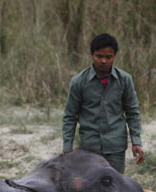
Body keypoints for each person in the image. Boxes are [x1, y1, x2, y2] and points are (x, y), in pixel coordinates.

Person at [61, 33, 144, 173]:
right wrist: (67, 149)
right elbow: (70, 116)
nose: (103, 61)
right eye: (99, 56)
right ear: (92, 55)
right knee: (89, 189)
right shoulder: (78, 82)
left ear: (114, 57)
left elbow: (133, 112)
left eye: (108, 57)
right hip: (89, 148)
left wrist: (136, 141)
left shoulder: (124, 80)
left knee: (115, 187)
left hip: (115, 147)